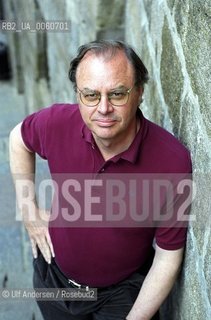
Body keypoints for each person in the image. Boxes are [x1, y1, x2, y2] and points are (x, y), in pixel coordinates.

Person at [9, 40, 192, 320]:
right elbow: (17, 140)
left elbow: (168, 256)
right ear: (78, 95)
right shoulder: (58, 123)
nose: (103, 108)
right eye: (91, 95)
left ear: (139, 92)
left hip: (121, 298)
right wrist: (29, 210)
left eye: (117, 94)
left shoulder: (172, 162)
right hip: (54, 281)